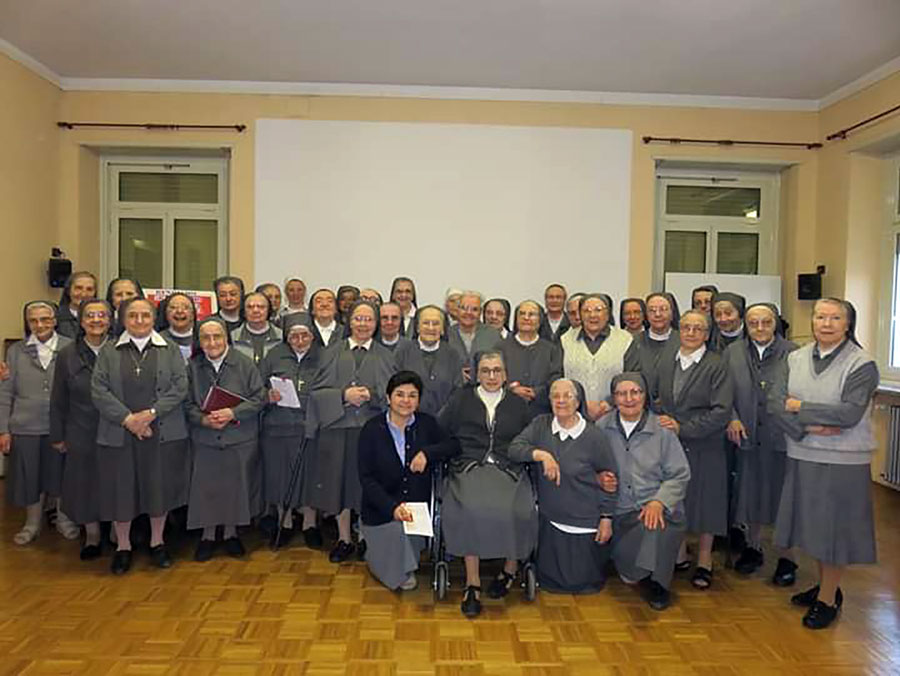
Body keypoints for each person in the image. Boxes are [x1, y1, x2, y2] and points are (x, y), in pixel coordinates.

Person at [769, 298, 879, 630]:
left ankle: (827, 599)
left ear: (848, 324)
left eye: (835, 318)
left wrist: (798, 406)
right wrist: (806, 427)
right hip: (803, 453)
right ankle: (826, 586)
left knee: (835, 533)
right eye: (820, 316)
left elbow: (848, 414)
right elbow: (774, 404)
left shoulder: (862, 364)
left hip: (843, 460)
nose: (826, 323)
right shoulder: (795, 357)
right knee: (814, 529)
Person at [92, 297, 190, 575]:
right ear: (123, 320)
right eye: (132, 316)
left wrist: (150, 414)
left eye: (145, 316)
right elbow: (98, 390)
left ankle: (157, 543)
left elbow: (180, 386)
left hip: (160, 430)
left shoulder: (169, 349)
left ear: (153, 318)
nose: (139, 321)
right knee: (121, 490)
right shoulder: (110, 350)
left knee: (157, 487)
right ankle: (123, 547)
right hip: (119, 433)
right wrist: (129, 420)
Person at [438, 351, 535, 618]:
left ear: (505, 375)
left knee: (516, 509)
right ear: (475, 373)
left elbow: (530, 438)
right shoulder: (461, 399)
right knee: (470, 508)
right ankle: (473, 582)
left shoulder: (518, 404)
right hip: (469, 465)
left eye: (497, 371)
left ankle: (510, 570)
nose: (491, 376)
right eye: (485, 370)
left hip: (508, 467)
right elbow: (441, 429)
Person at [307, 300, 398, 562]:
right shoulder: (331, 352)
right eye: (358, 319)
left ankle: (367, 539)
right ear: (350, 321)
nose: (363, 324)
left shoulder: (385, 355)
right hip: (338, 431)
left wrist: (372, 395)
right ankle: (344, 538)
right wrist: (343, 395)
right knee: (340, 485)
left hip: (372, 433)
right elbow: (316, 393)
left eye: (368, 319)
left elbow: (395, 393)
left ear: (376, 323)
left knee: (367, 487)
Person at [508, 379, 617, 594]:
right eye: (555, 396)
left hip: (585, 518)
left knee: (583, 583)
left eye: (567, 396)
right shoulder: (541, 425)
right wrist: (542, 454)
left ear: (578, 402)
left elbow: (610, 481)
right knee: (552, 583)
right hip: (551, 519)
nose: (561, 401)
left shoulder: (595, 436)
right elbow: (514, 448)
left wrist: (607, 518)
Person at [358, 370, 459, 591]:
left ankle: (391, 556)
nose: (406, 401)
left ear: (419, 400)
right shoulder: (371, 429)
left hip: (416, 509)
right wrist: (392, 508)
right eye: (400, 394)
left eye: (412, 395)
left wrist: (427, 454)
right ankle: (375, 549)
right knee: (398, 565)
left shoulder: (427, 424)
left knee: (407, 548)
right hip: (381, 509)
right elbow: (366, 478)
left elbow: (453, 445)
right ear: (388, 398)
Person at [598, 373, 691, 610]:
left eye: (635, 392)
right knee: (629, 566)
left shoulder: (663, 430)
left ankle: (658, 584)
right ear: (614, 398)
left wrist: (659, 502)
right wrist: (597, 477)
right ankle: (633, 568)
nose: (629, 399)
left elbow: (679, 474)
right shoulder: (601, 428)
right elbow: (589, 465)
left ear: (644, 395)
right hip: (620, 509)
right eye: (621, 393)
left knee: (656, 525)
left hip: (657, 508)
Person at [655, 309, 733, 590]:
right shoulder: (667, 360)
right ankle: (679, 555)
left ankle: (704, 561)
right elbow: (658, 398)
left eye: (698, 329)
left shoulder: (717, 364)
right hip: (671, 445)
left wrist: (683, 427)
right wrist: (661, 417)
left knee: (707, 502)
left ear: (707, 334)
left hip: (705, 443)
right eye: (686, 327)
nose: (690, 333)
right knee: (677, 499)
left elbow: (722, 411)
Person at [725, 303, 799, 585]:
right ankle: (753, 548)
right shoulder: (733, 353)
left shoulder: (794, 353)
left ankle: (787, 557)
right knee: (750, 493)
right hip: (745, 433)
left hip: (781, 436)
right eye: (753, 323)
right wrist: (731, 418)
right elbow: (724, 391)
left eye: (765, 322)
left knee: (784, 498)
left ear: (775, 323)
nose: (759, 328)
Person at [186, 317, 266, 561]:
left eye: (217, 336)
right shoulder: (192, 367)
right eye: (206, 337)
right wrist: (202, 419)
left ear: (226, 337)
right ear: (199, 342)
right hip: (205, 437)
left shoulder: (244, 364)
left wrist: (233, 412)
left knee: (236, 487)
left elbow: (259, 397)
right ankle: (208, 536)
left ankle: (231, 534)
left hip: (239, 436)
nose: (212, 342)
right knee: (206, 488)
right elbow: (185, 403)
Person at [0, 301, 75, 544]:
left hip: (59, 425)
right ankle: (32, 523)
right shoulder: (16, 351)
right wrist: (4, 430)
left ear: (54, 320)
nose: (40, 325)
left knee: (61, 475)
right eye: (34, 320)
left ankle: (64, 520)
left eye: (45, 319)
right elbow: (5, 393)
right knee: (29, 477)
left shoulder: (69, 347)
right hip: (25, 425)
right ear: (28, 323)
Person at [50, 298, 113, 559]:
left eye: (102, 315)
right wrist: (58, 434)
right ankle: (93, 536)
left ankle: (116, 532)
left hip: (115, 427)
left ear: (110, 320)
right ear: (81, 320)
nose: (96, 320)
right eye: (90, 315)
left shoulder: (121, 349)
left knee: (114, 481)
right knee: (85, 483)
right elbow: (58, 398)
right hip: (81, 427)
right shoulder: (67, 354)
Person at [259, 313, 323, 548]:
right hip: (278, 426)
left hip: (310, 426)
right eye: (293, 336)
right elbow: (257, 385)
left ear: (312, 335)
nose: (299, 340)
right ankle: (284, 522)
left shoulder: (324, 356)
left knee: (309, 476)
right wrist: (268, 395)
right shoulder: (274, 355)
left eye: (304, 335)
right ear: (286, 337)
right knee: (279, 475)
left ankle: (309, 523)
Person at [560, 294, 633, 421]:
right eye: (586, 311)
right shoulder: (564, 340)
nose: (592, 315)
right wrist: (581, 403)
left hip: (615, 415)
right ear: (580, 315)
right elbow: (558, 377)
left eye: (598, 310)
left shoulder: (625, 339)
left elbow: (632, 376)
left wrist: (609, 403)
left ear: (608, 313)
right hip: (574, 414)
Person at [395, 305, 464, 416]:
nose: (431, 328)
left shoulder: (453, 355)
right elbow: (395, 389)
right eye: (426, 323)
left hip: (445, 422)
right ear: (417, 328)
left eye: (436, 324)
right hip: (408, 419)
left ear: (442, 330)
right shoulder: (403, 352)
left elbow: (458, 392)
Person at [500, 300, 563, 420]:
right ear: (516, 319)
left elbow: (556, 378)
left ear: (540, 320)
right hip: (507, 412)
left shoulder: (551, 349)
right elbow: (494, 376)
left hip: (542, 413)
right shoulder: (501, 348)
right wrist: (511, 389)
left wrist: (536, 392)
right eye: (522, 314)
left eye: (532, 314)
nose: (526, 318)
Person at [623, 292, 680, 397]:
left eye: (663, 309)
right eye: (652, 310)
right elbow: (629, 377)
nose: (657, 314)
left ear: (672, 314)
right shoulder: (635, 342)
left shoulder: (683, 341)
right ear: (646, 315)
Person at [447, 291, 502, 377]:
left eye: (474, 309)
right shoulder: (446, 334)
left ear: (480, 312)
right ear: (457, 310)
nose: (469, 313)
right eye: (464, 308)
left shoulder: (493, 335)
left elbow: (500, 365)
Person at [231, 292, 282, 365]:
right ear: (244, 311)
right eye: (250, 307)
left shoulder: (281, 337)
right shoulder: (233, 337)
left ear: (268, 310)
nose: (255, 311)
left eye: (261, 307)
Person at [57, 271, 98, 339]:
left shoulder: (102, 318)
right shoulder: (56, 317)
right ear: (68, 290)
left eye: (89, 289)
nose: (83, 294)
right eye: (78, 288)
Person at [157, 292, 197, 363]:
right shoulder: (158, 340)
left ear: (193, 314)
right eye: (173, 307)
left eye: (185, 307)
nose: (179, 311)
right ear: (165, 313)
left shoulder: (202, 337)